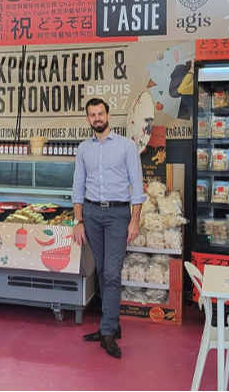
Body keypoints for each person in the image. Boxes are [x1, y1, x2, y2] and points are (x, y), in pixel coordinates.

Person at [71, 98, 144, 359]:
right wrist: (78, 220)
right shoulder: (83, 149)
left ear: (109, 115)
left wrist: (134, 220)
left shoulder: (127, 147)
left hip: (117, 214)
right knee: (101, 271)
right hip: (91, 213)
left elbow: (138, 187)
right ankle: (112, 324)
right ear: (88, 119)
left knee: (112, 272)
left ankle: (107, 331)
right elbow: (78, 186)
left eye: (101, 113)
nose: (97, 118)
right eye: (92, 115)